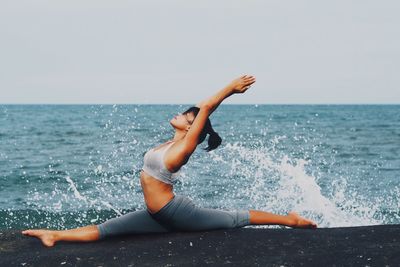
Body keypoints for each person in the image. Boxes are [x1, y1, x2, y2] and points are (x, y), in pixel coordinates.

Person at [22, 74, 317, 247]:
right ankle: (54, 236)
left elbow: (205, 109)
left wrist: (230, 88)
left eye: (185, 117)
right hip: (157, 214)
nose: (180, 114)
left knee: (234, 219)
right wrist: (200, 109)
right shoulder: (170, 143)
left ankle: (291, 221)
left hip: (174, 213)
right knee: (107, 230)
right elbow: (200, 108)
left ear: (191, 128)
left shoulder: (180, 151)